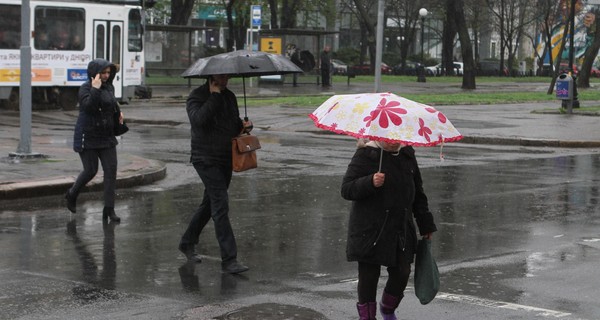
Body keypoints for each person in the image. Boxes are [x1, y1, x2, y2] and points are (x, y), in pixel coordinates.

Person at [341, 139, 437, 320]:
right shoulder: (365, 154)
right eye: (388, 138)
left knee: (402, 272)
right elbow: (346, 189)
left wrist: (425, 224)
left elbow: (418, 193)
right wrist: (370, 182)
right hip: (369, 229)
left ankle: (387, 308)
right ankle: (367, 317)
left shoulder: (407, 154)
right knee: (369, 277)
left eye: (396, 138)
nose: (393, 142)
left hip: (400, 227)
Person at [178, 74, 253, 274]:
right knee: (220, 203)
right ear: (211, 76)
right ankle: (229, 259)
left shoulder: (230, 96)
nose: (226, 79)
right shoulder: (197, 96)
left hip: (225, 157)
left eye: (228, 76)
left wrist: (243, 126)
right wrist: (214, 97)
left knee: (210, 203)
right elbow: (199, 121)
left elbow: (230, 125)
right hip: (205, 158)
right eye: (222, 76)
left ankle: (187, 242)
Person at [64, 59, 124, 223]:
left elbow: (111, 103)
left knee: (111, 171)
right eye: (103, 73)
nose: (106, 76)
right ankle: (72, 194)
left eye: (108, 73)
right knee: (91, 170)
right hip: (88, 135)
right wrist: (95, 88)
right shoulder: (85, 87)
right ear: (94, 73)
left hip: (106, 136)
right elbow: (88, 107)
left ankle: (109, 209)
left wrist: (118, 112)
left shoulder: (109, 86)